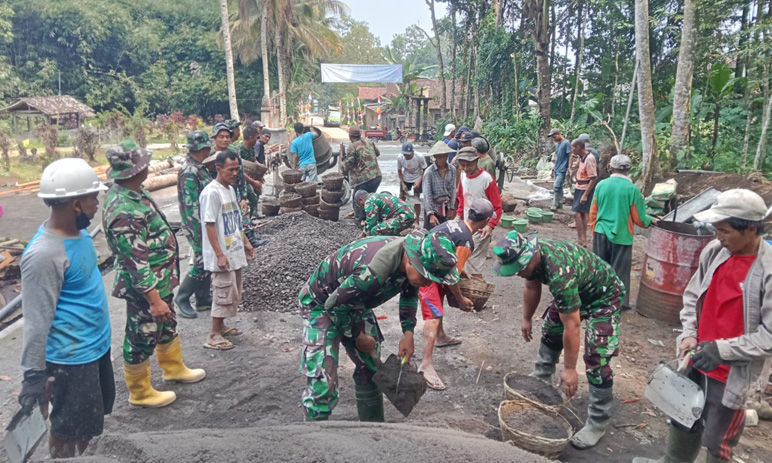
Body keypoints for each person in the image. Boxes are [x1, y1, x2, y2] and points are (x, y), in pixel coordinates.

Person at [633, 189, 772, 463]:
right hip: (696, 357)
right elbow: (693, 294)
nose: (718, 237)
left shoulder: (767, 270)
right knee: (683, 416)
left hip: (732, 372)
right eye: (716, 229)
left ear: (751, 229)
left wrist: (722, 350)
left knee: (718, 441)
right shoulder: (716, 251)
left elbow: (768, 335)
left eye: (725, 231)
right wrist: (689, 333)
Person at [299, 229, 460, 421]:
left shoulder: (413, 257)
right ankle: (313, 436)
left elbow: (409, 293)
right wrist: (358, 337)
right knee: (323, 381)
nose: (427, 283)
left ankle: (375, 432)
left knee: (371, 366)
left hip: (355, 301)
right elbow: (334, 306)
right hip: (321, 304)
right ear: (411, 261)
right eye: (426, 277)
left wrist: (408, 333)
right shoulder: (371, 273)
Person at [492, 231, 623, 450]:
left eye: (519, 268)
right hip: (577, 289)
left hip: (603, 296)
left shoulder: (559, 274)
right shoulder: (531, 258)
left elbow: (572, 324)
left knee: (597, 357)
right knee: (552, 328)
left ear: (530, 256)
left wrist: (570, 368)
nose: (517, 273)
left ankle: (598, 421)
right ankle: (541, 379)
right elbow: (531, 286)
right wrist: (526, 318)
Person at [102, 141, 206, 409]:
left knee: (166, 324)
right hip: (145, 288)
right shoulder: (123, 209)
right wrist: (153, 299)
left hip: (160, 281)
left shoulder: (136, 193)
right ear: (137, 169)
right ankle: (140, 392)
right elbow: (135, 261)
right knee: (142, 333)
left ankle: (172, 367)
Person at [19, 158, 112, 458]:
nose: (97, 202)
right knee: (68, 429)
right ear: (75, 204)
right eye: (93, 197)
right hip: (71, 360)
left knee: (88, 425)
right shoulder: (44, 254)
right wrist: (34, 375)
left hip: (95, 349)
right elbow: (36, 318)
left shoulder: (80, 232)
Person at [418, 199, 495, 391]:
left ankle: (441, 337)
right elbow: (452, 277)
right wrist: (460, 299)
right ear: (485, 220)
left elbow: (453, 264)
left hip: (428, 262)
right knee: (433, 314)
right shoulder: (466, 241)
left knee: (438, 303)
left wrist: (462, 272)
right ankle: (425, 364)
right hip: (427, 272)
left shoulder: (456, 223)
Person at [200, 150, 255, 350]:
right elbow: (209, 225)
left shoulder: (230, 190)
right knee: (222, 292)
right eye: (230, 170)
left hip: (234, 250)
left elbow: (235, 222)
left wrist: (246, 242)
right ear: (219, 169)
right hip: (221, 253)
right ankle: (213, 334)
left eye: (237, 170)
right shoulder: (211, 193)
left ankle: (221, 326)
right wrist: (219, 254)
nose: (234, 174)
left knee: (233, 290)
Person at [589, 154, 657, 310]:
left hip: (601, 231)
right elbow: (638, 218)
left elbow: (594, 210)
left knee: (600, 267)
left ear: (611, 168)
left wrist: (595, 230)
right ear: (628, 169)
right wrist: (650, 220)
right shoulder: (632, 190)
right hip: (622, 235)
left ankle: (596, 298)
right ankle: (618, 303)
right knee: (620, 270)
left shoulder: (601, 185)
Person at [175, 131, 215, 318]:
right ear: (201, 148)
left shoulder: (199, 168)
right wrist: (199, 232)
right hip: (196, 224)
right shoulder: (190, 172)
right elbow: (191, 206)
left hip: (204, 222)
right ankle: (182, 297)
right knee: (201, 261)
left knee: (207, 259)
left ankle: (202, 298)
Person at [213, 123, 267, 248]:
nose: (225, 139)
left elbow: (240, 173)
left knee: (242, 213)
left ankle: (249, 238)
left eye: (227, 136)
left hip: (233, 189)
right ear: (214, 138)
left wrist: (243, 196)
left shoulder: (233, 151)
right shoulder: (210, 155)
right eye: (221, 137)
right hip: (217, 192)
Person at [455, 147, 502, 278]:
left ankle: (475, 291)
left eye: (468, 164)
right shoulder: (463, 176)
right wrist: (458, 216)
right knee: (463, 260)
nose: (465, 168)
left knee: (473, 263)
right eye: (462, 165)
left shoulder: (487, 179)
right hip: (466, 224)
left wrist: (490, 225)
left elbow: (497, 206)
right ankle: (467, 293)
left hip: (481, 227)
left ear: (476, 161)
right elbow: (461, 198)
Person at [343, 126, 382, 224]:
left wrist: (343, 162)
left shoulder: (352, 146)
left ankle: (359, 222)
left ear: (350, 136)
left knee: (358, 199)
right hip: (377, 176)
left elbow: (349, 164)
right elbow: (377, 153)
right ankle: (370, 219)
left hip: (364, 179)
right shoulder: (369, 141)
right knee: (369, 199)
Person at [570, 138, 598, 247]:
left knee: (578, 213)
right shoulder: (581, 157)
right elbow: (575, 168)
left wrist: (586, 194)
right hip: (579, 187)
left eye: (573, 148)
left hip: (584, 188)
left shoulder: (589, 158)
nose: (572, 151)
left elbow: (593, 177)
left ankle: (582, 239)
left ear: (578, 147)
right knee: (580, 214)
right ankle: (581, 239)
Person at [423, 141, 457, 228]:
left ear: (447, 155)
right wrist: (431, 214)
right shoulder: (429, 172)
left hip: (446, 207)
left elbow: (453, 190)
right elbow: (427, 194)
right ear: (435, 157)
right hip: (433, 208)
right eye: (439, 156)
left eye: (444, 155)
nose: (442, 159)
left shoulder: (452, 169)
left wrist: (451, 208)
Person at [237, 125, 263, 219]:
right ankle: (246, 220)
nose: (257, 139)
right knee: (252, 198)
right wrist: (252, 181)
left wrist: (261, 170)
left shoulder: (251, 148)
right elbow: (239, 169)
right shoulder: (239, 150)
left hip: (251, 176)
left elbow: (254, 161)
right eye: (256, 137)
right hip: (242, 178)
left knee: (257, 193)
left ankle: (252, 217)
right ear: (251, 137)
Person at [397, 142, 427, 224]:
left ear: (412, 152)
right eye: (405, 155)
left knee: (416, 199)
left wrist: (419, 181)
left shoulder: (419, 157)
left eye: (408, 155)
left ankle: (416, 220)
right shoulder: (400, 157)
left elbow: (425, 170)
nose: (406, 157)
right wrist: (403, 183)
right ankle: (400, 217)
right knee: (401, 197)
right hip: (406, 177)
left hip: (417, 177)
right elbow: (399, 171)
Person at [548, 128, 571, 211]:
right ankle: (560, 203)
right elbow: (557, 157)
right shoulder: (558, 144)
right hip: (557, 168)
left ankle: (554, 204)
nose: (553, 138)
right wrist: (553, 169)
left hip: (563, 168)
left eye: (554, 136)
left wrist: (569, 167)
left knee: (556, 186)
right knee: (559, 187)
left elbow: (570, 155)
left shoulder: (566, 143)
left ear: (559, 134)